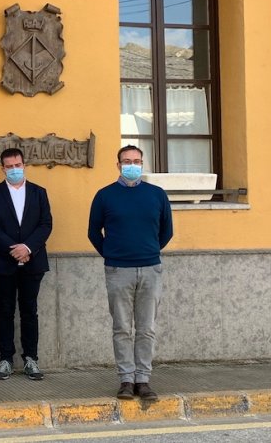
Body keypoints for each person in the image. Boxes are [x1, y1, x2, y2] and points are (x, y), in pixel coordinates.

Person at [88, 145, 173, 401]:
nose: (131, 165)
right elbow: (94, 232)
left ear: (142, 163)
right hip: (117, 270)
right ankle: (126, 379)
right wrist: (113, 254)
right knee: (122, 328)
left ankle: (143, 380)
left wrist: (147, 251)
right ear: (118, 165)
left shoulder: (157, 195)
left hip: (150, 269)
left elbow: (166, 232)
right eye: (126, 161)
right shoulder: (104, 196)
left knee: (146, 328)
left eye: (136, 161)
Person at [0, 148, 53, 381]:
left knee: (30, 310)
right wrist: (14, 249)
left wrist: (28, 248)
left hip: (33, 261)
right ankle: (5, 359)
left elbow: (45, 224)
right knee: (5, 310)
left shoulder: (39, 192)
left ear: (24, 165)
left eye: (18, 165)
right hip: (4, 261)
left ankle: (31, 359)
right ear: (2, 168)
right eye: (9, 166)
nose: (14, 169)